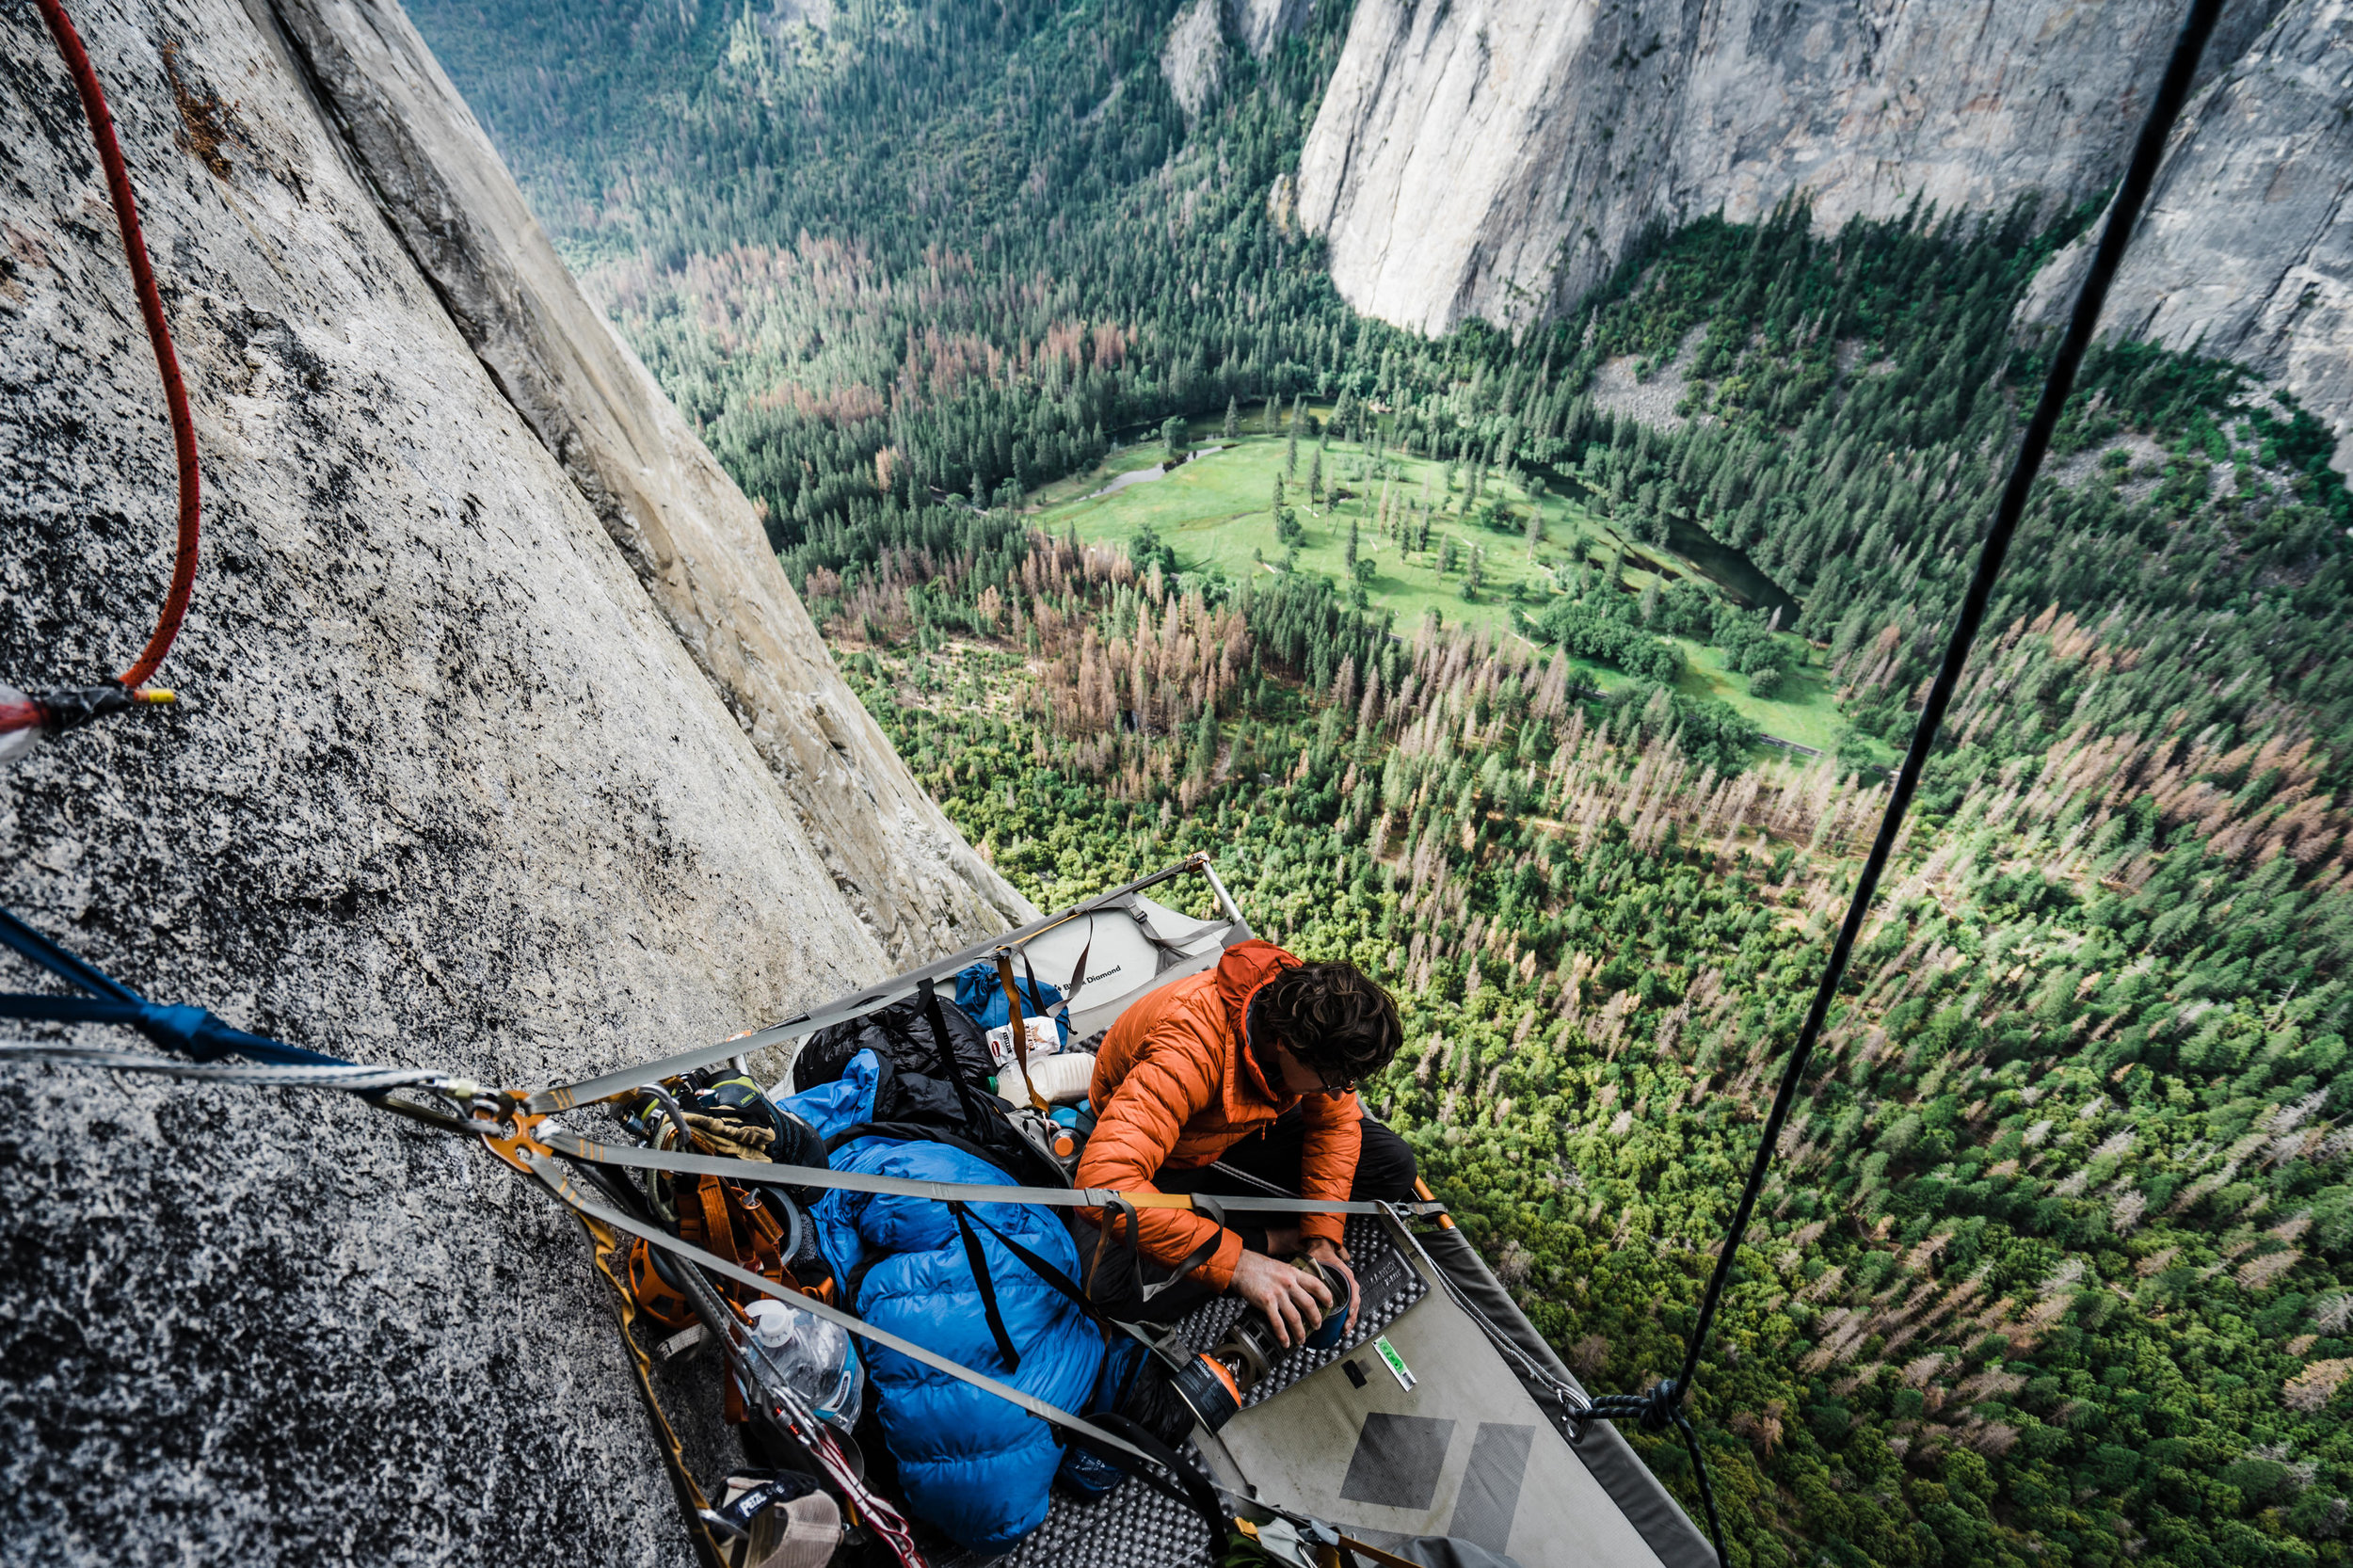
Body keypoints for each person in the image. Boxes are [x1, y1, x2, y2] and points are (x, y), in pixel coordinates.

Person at [1075, 938, 1416, 1347]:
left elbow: (1335, 1127)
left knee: (1393, 1165)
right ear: (1289, 1046)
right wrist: (1239, 1265)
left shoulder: (1309, 1014)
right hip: (1167, 1153)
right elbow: (1102, 1184)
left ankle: (1255, 1236)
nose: (1340, 1089)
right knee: (1107, 1292)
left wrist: (1322, 1237)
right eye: (1332, 1080)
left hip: (1235, 1128)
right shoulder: (1190, 1047)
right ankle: (1266, 1242)